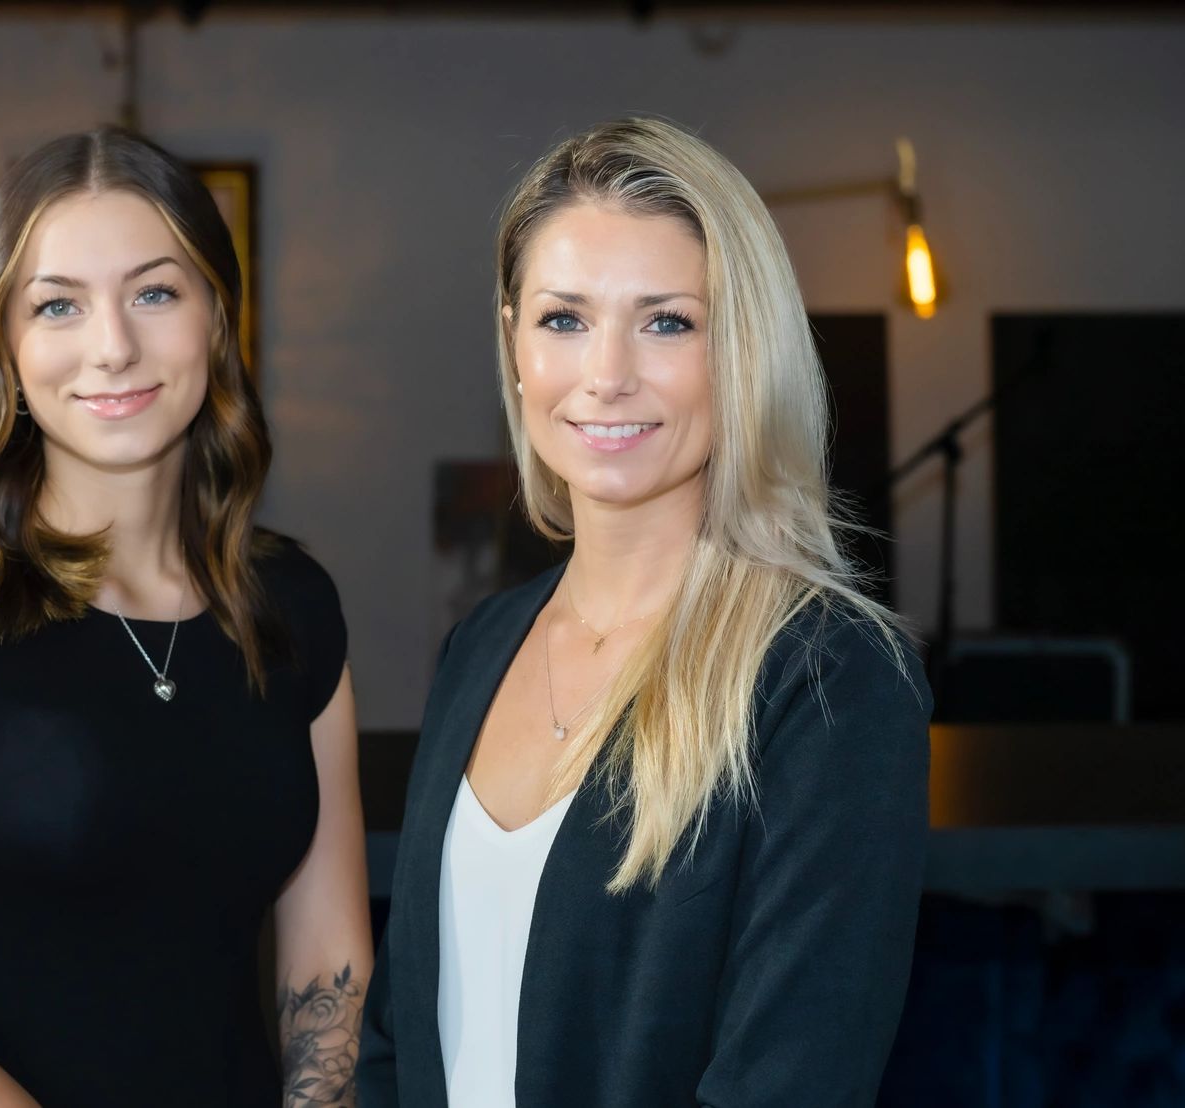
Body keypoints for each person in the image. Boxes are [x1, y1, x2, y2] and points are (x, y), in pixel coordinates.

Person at [357, 116, 931, 1107]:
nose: (606, 373)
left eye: (667, 321)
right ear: (514, 343)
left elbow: (790, 1082)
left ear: (739, 351)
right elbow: (397, 1035)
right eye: (564, 319)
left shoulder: (829, 677)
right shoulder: (479, 648)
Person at [0, 128, 370, 1107]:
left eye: (155, 292)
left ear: (216, 318)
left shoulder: (293, 605)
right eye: (57, 304)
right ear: (5, 344)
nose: (112, 345)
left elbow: (327, 967)